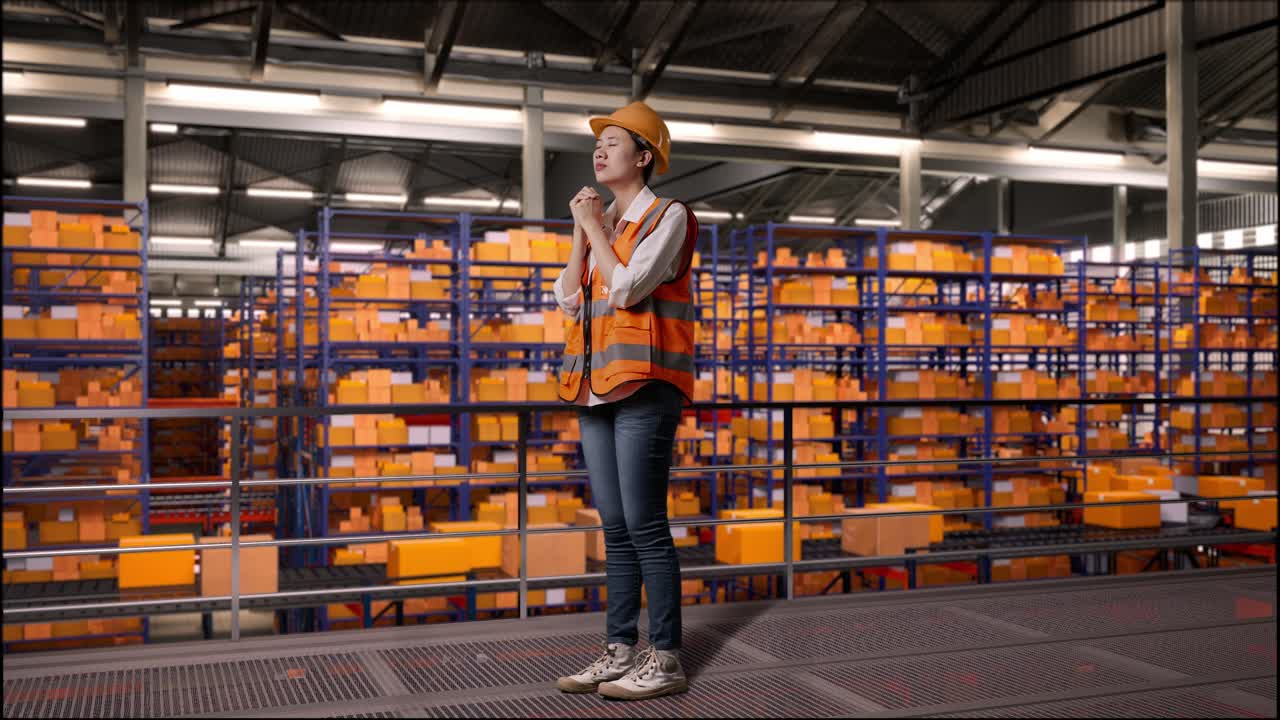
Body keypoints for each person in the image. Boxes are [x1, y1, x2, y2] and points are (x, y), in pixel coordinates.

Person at [551, 101, 699, 701]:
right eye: (598, 141)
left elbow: (631, 288)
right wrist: (582, 235)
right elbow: (568, 296)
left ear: (644, 157)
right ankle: (619, 651)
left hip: (644, 387)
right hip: (594, 390)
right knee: (614, 526)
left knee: (644, 524)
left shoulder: (670, 216)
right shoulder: (603, 221)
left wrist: (594, 232)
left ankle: (665, 658)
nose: (600, 149)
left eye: (614, 141)